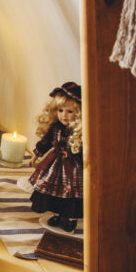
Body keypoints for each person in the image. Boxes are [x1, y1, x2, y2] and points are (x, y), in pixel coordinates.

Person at [29, 82, 82, 232]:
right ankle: (58, 214)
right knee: (54, 190)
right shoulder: (56, 128)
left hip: (74, 167)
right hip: (57, 164)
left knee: (72, 193)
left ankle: (71, 218)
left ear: (79, 113)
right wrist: (36, 154)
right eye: (60, 110)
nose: (64, 115)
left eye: (70, 112)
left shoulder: (79, 131)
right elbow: (46, 142)